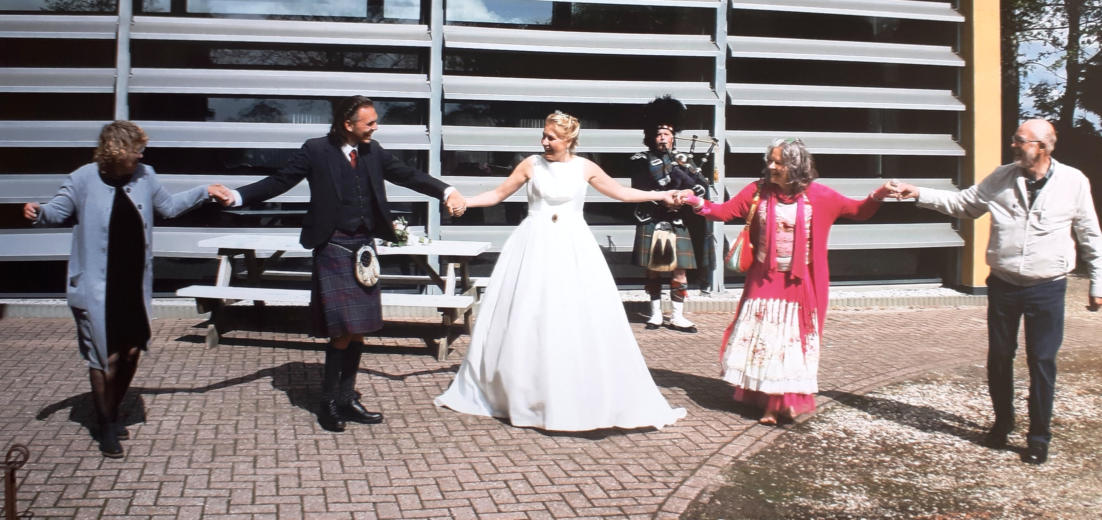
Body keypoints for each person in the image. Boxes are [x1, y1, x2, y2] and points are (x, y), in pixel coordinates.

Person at [218, 95, 467, 433]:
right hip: (333, 247)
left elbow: (408, 175)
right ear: (347, 124)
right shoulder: (315, 150)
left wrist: (447, 191)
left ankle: (348, 399)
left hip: (363, 247)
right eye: (370, 122)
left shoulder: (373, 151)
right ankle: (329, 403)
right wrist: (237, 196)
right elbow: (279, 182)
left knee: (358, 329)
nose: (376, 127)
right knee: (341, 331)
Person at [434, 111, 687, 431]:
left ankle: (571, 385)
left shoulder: (585, 167)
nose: (544, 141)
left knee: (572, 313)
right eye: (544, 135)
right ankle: (523, 389)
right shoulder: (530, 164)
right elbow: (498, 194)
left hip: (573, 246)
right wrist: (466, 202)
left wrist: (660, 194)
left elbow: (621, 193)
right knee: (529, 313)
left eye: (551, 137)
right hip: (532, 245)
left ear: (569, 140)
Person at [891, 119, 1102, 464]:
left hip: (1047, 287)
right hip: (1004, 284)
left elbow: (1090, 234)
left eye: (1020, 141)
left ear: (1042, 147)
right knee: (1000, 357)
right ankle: (1002, 424)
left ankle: (1038, 438)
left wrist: (1098, 282)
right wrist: (918, 192)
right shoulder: (1002, 177)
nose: (1013, 145)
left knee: (1042, 360)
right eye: (1014, 140)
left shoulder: (1073, 181)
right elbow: (964, 204)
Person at [24, 121, 229, 458]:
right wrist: (37, 211)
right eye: (136, 150)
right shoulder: (82, 178)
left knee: (131, 351)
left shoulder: (145, 176)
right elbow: (55, 212)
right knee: (103, 356)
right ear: (117, 151)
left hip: (131, 284)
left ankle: (112, 407)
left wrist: (205, 190)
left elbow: (169, 207)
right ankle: (106, 423)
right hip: (95, 285)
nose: (142, 155)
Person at [678, 138, 895, 425]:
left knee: (790, 344)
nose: (771, 166)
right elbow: (724, 211)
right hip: (764, 280)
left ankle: (783, 402)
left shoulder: (820, 195)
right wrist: (695, 201)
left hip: (801, 283)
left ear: (794, 165)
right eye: (770, 160)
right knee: (765, 340)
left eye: (778, 162)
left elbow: (858, 211)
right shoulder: (757, 191)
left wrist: (879, 194)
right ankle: (769, 403)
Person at [630, 95, 710, 332]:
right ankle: (655, 314)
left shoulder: (684, 161)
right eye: (658, 134)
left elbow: (702, 186)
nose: (662, 138)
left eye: (666, 133)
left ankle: (677, 316)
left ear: (674, 136)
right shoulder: (640, 160)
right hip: (653, 218)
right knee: (653, 270)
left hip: (676, 220)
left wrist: (687, 192)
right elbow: (641, 187)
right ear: (651, 137)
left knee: (680, 270)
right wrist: (665, 198)